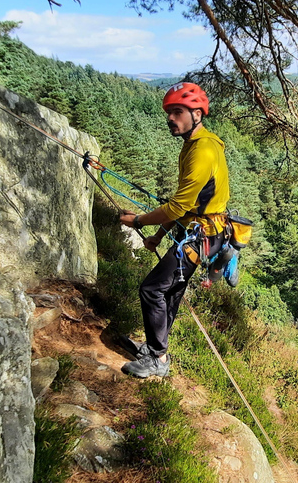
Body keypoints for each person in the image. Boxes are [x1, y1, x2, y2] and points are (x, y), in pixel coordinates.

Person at [118, 82, 229, 378]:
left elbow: (179, 207)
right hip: (198, 231)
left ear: (197, 113)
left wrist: (140, 222)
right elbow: (183, 205)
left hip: (201, 235)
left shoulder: (203, 151)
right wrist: (159, 235)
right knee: (170, 291)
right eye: (169, 112)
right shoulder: (194, 145)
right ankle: (156, 349)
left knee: (152, 289)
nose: (170, 118)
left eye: (177, 112)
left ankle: (158, 358)